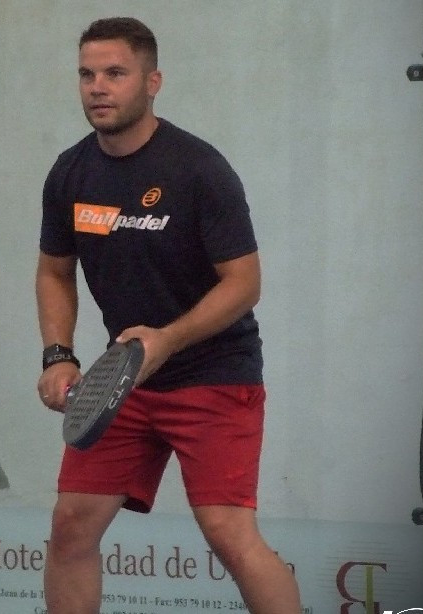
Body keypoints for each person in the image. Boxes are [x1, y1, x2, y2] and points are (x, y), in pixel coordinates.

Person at [36, 16, 301, 614]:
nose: (98, 87)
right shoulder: (70, 172)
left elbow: (245, 284)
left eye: (115, 73)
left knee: (228, 534)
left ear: (152, 82)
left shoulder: (199, 170)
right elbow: (54, 271)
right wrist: (58, 354)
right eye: (87, 74)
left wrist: (168, 340)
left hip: (215, 376)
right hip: (123, 380)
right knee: (71, 526)